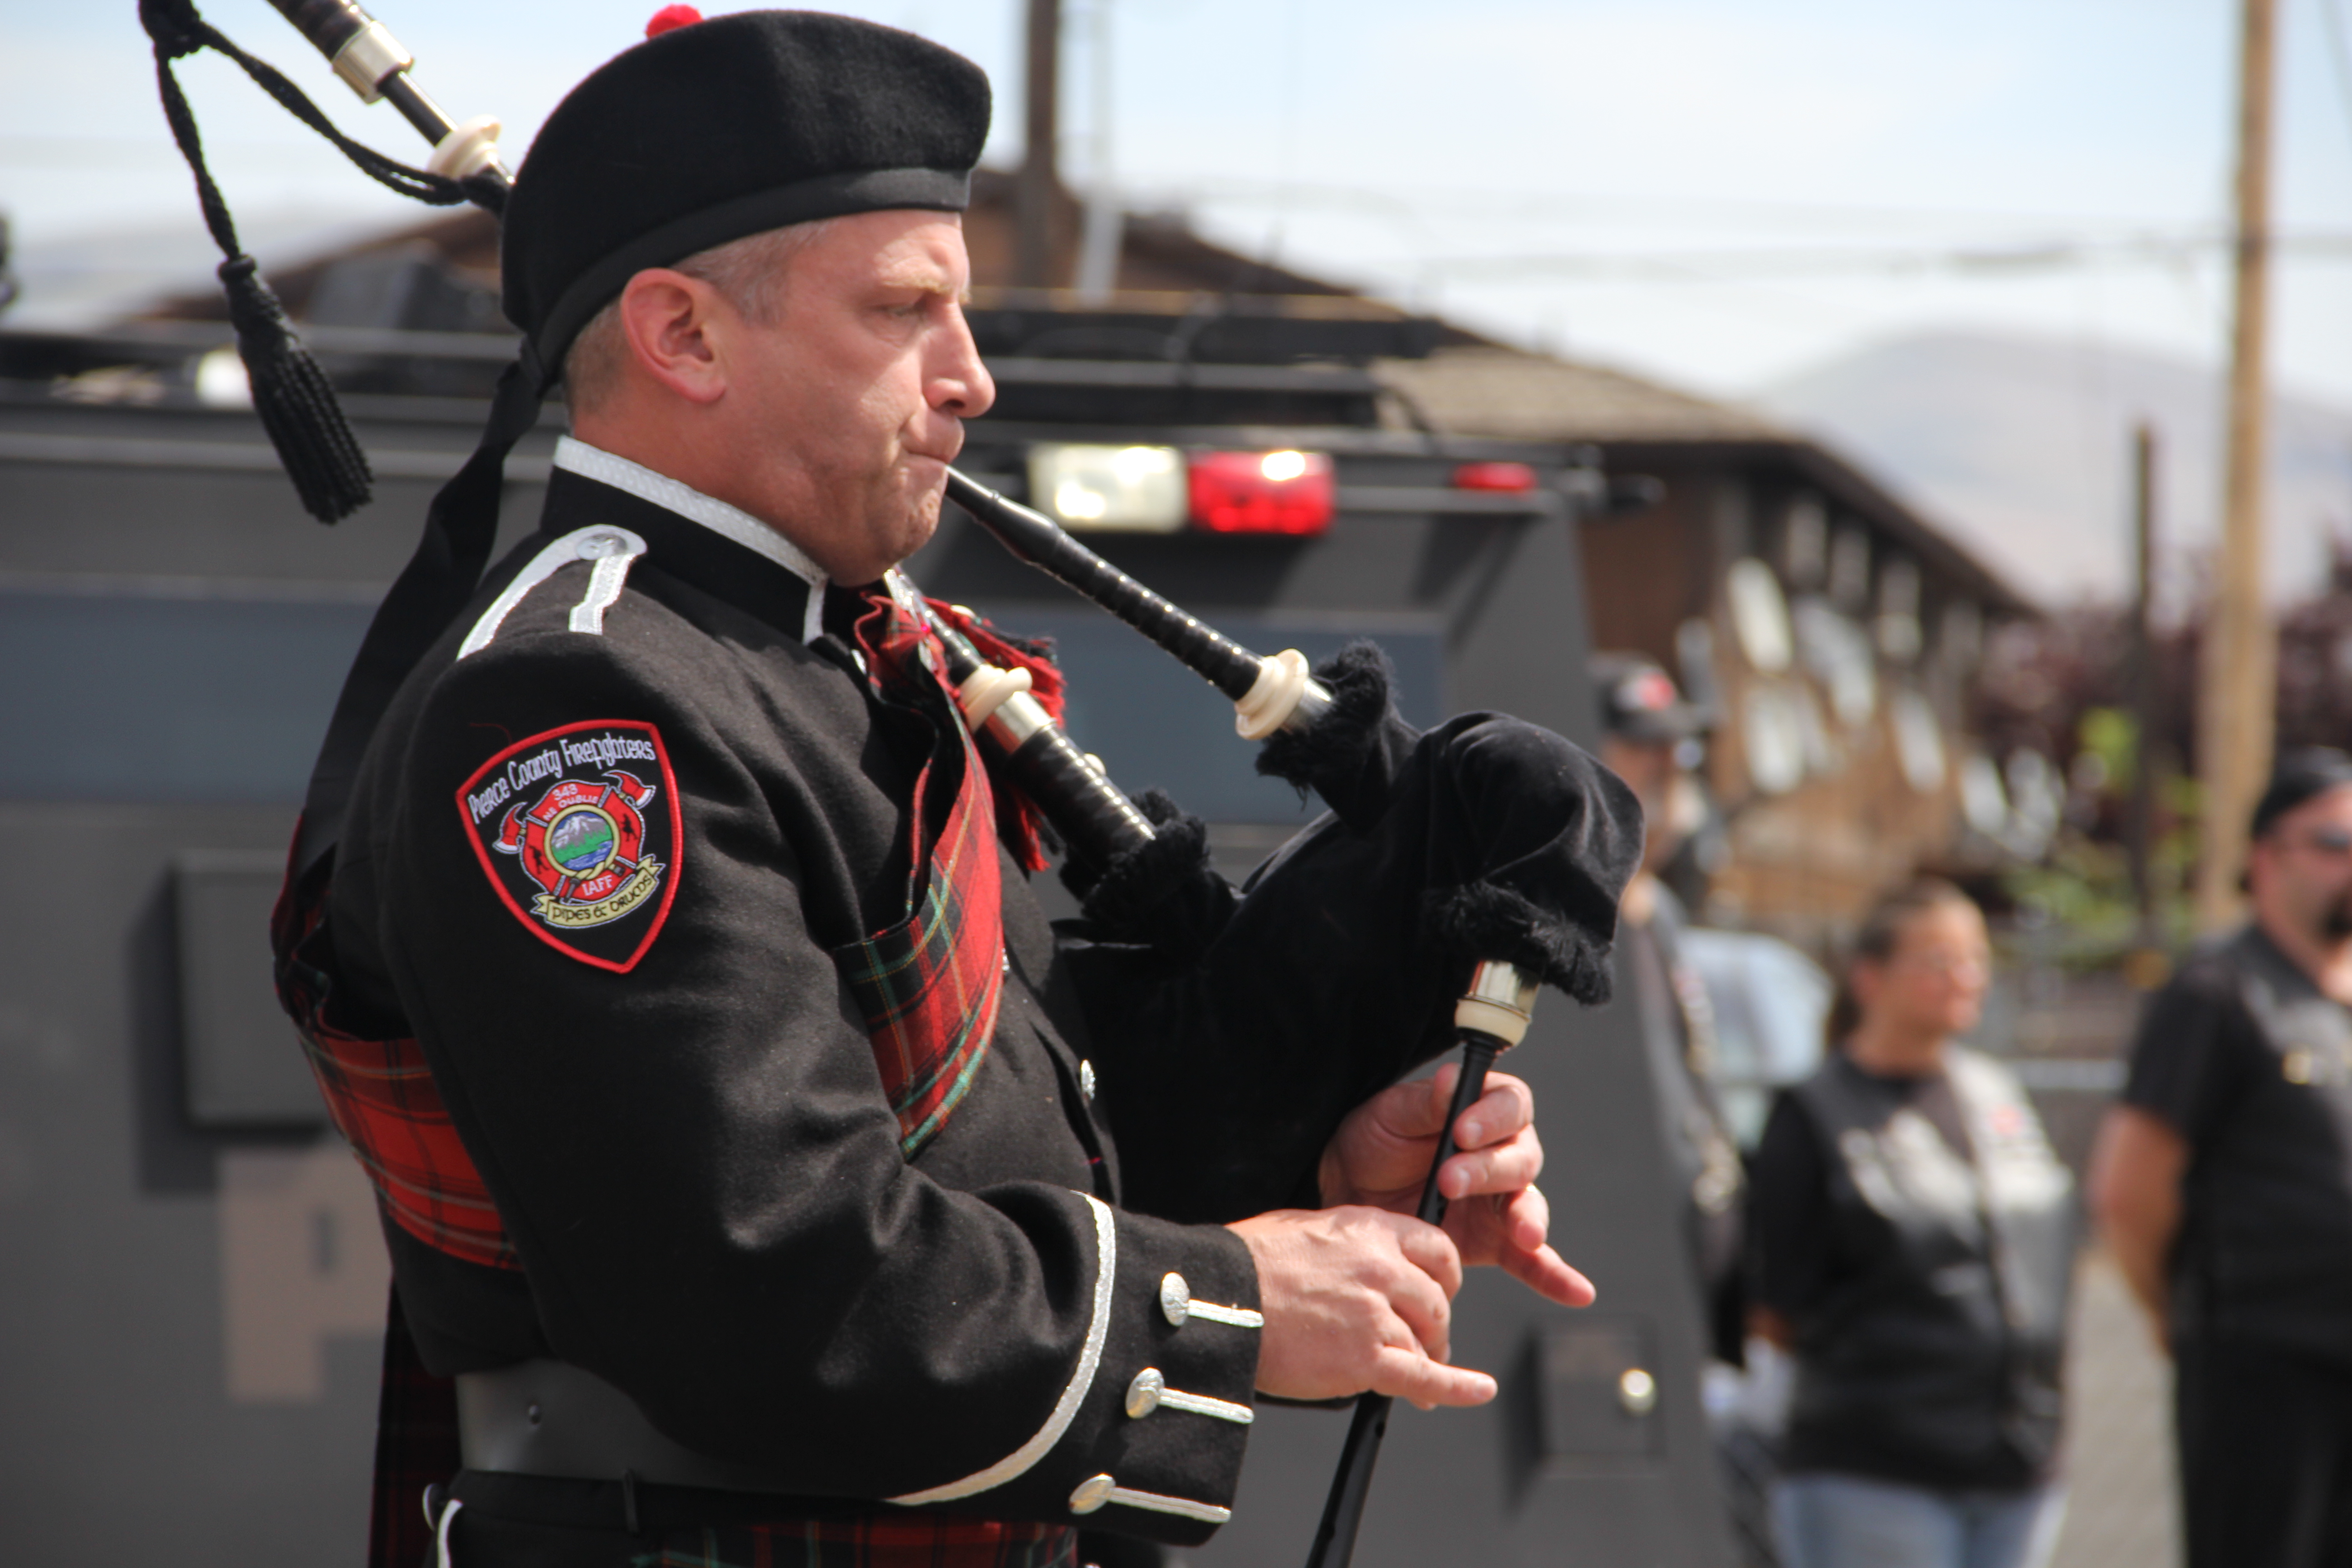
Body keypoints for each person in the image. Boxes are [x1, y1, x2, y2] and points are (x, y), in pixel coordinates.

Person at [271, 12, 1634, 1568]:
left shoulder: (823, 664)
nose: (971, 378)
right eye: (906, 308)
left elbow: (985, 1171)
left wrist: (1318, 1178)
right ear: (685, 337)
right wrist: (1242, 1298)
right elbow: (765, 1282)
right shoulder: (581, 704)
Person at [1746, 880, 2076, 1568]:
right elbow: (1775, 1307)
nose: (1964, 979)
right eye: (1938, 960)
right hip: (1878, 1469)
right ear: (1869, 977)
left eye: (1975, 959)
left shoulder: (1996, 1096)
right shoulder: (1817, 1113)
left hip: (2017, 1465)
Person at [2090, 749, 2352, 1568]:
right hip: (2262, 1369)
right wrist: (2181, 1310)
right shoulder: (2219, 992)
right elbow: (2129, 1192)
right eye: (2337, 841)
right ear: (2265, 857)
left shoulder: (2337, 1001)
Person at [1591, 652, 1745, 1357]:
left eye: (1674, 747)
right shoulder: (1570, 918)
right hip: (1613, 1290)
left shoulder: (1658, 913)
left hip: (1693, 1288)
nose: (1666, 767)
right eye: (1642, 746)